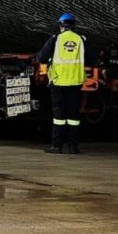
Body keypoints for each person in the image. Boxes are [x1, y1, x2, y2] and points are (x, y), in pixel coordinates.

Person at [38, 12, 86, 154]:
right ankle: (73, 147)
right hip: (75, 83)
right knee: (73, 116)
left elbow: (41, 57)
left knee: (59, 116)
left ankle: (56, 146)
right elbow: (92, 58)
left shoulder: (56, 39)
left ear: (61, 25)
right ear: (73, 26)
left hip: (58, 83)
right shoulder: (81, 40)